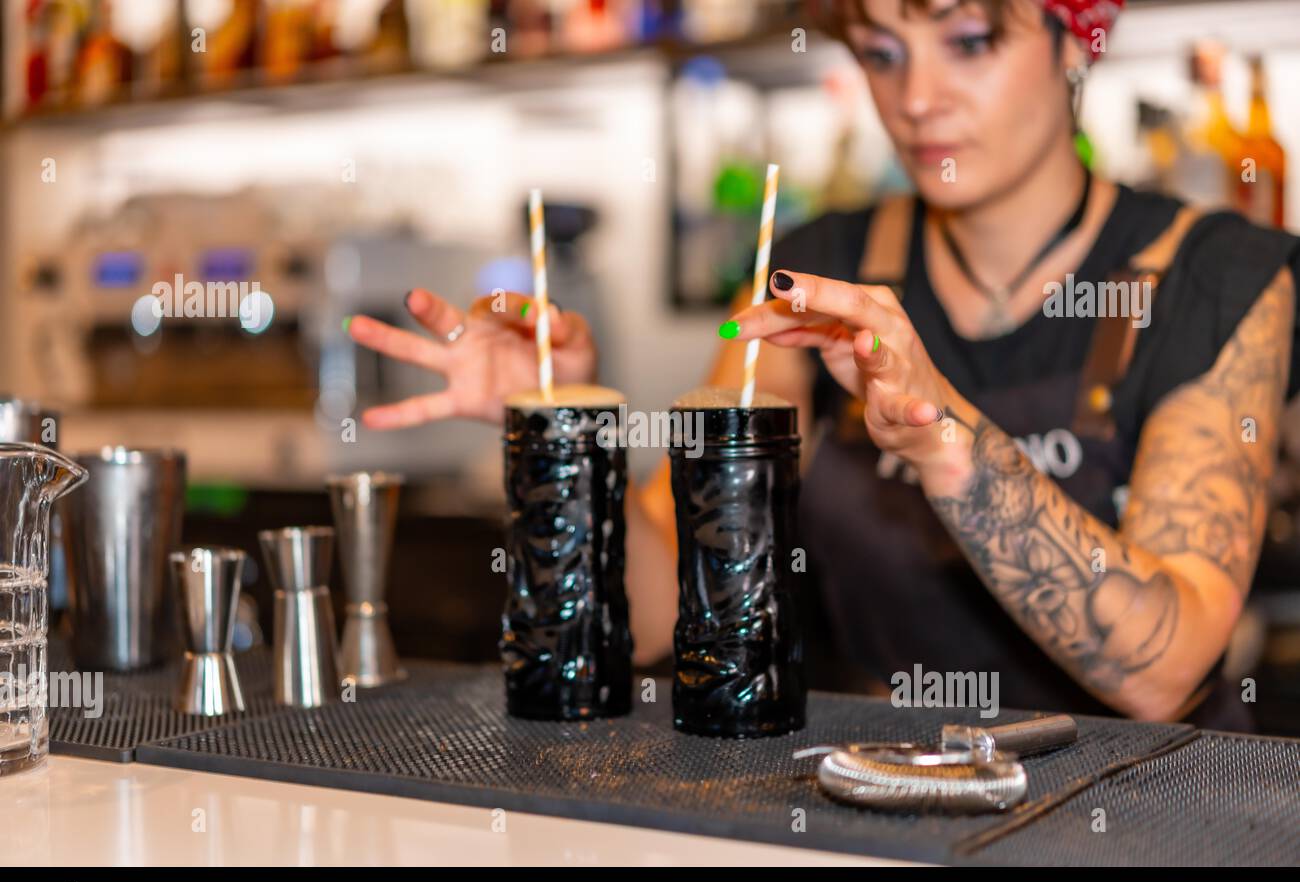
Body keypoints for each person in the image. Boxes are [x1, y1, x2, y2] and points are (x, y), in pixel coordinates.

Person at [346, 0, 1300, 731]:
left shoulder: (1219, 275)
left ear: (1073, 40)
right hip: (886, 811)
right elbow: (648, 616)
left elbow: (1163, 666)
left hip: (1151, 833)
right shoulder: (813, 270)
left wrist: (943, 435)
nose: (916, 97)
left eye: (968, 40)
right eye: (881, 52)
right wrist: (563, 434)